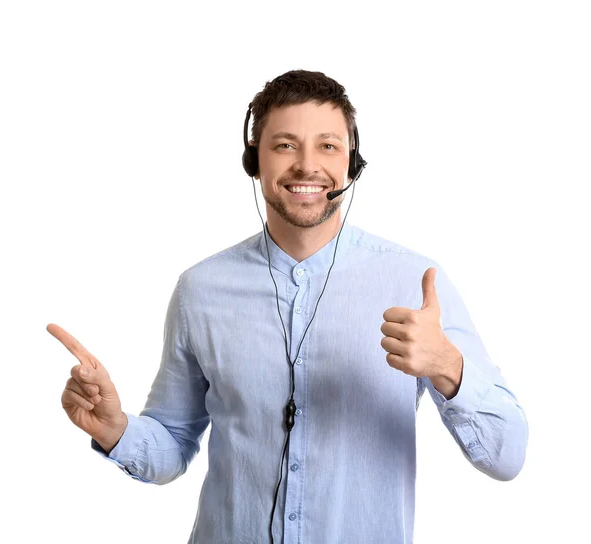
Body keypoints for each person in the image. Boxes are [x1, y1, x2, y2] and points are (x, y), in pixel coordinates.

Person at [48, 69, 529, 544]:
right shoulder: (200, 289)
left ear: (351, 163)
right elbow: (172, 446)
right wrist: (115, 430)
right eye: (284, 145)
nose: (306, 165)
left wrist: (448, 367)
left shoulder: (413, 281)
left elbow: (507, 457)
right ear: (253, 160)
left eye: (327, 145)